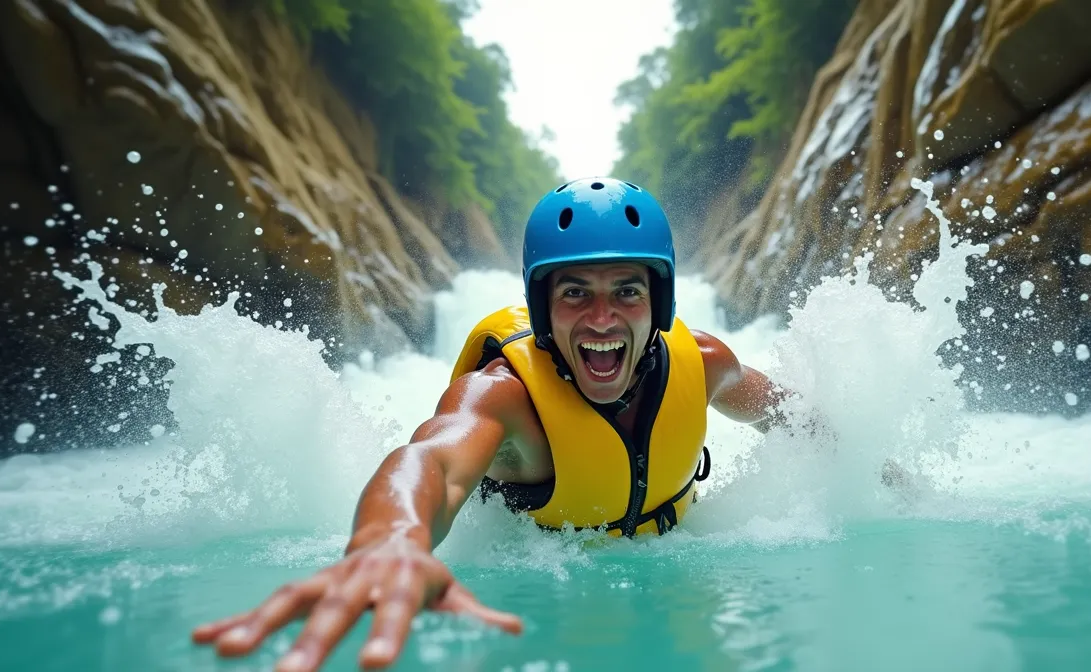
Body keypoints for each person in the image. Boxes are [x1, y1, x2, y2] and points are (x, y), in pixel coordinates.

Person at [190, 177, 790, 671]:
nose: (603, 318)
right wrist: (392, 540)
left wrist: (875, 470)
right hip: (548, 619)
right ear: (543, 309)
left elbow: (798, 421)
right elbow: (431, 460)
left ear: (658, 304)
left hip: (676, 606)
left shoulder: (706, 364)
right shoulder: (503, 398)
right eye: (575, 293)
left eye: (627, 292)